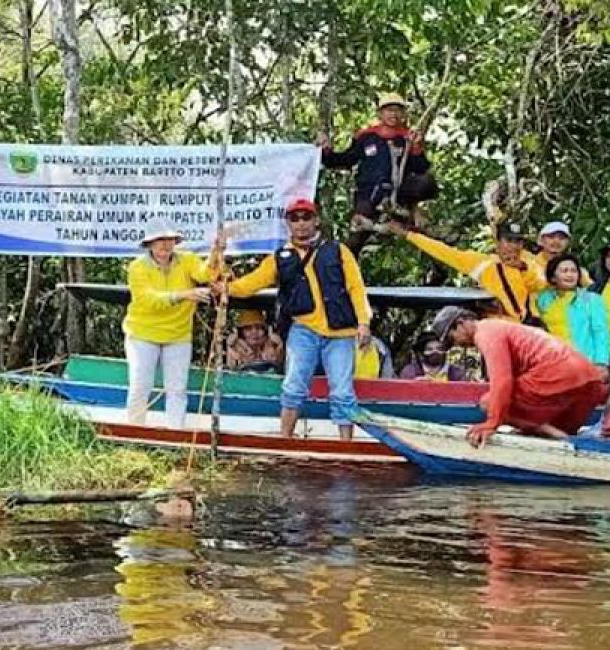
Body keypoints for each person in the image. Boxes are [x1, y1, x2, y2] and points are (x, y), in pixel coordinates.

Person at [223, 199, 372, 440]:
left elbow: (356, 288)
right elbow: (250, 283)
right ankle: (285, 439)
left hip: (341, 334)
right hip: (303, 329)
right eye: (295, 218)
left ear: (316, 220)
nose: (301, 224)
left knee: (343, 391)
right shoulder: (279, 258)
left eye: (306, 217)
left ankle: (347, 445)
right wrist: (224, 288)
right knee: (293, 387)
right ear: (288, 224)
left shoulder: (338, 250)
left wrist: (364, 322)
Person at [432, 306, 607, 447]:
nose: (457, 345)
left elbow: (502, 382)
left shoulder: (486, 333)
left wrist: (492, 423)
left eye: (451, 339)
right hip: (589, 379)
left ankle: (549, 432)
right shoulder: (499, 326)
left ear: (461, 323)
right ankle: (558, 434)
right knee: (561, 428)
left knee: (487, 402)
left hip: (559, 375)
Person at [123, 227, 222, 428]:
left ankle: (175, 435)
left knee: (177, 389)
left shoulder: (187, 259)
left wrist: (215, 254)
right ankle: (133, 433)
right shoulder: (137, 267)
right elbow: (148, 300)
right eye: (160, 239)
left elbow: (205, 275)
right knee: (140, 386)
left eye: (170, 240)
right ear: (149, 244)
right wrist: (184, 295)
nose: (165, 245)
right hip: (142, 334)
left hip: (178, 334)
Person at [318, 93, 438, 254]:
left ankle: (439, 269)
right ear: (380, 113)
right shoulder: (366, 137)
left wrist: (416, 147)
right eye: (389, 110)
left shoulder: (407, 137)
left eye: (397, 110)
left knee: (427, 183)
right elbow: (346, 159)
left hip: (399, 195)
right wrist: (326, 151)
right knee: (355, 240)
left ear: (403, 114)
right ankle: (340, 272)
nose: (393, 114)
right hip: (369, 194)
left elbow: (421, 168)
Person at [390, 220, 540, 322]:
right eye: (509, 241)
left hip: (528, 325)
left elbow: (540, 284)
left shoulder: (529, 261)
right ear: (498, 242)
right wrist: (409, 235)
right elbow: (444, 252)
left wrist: (522, 268)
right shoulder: (482, 262)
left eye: (518, 241)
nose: (513, 246)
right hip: (497, 324)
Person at [534, 254, 610, 365]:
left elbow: (601, 333)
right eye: (564, 271)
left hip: (585, 362)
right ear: (553, 277)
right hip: (553, 363)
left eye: (574, 271)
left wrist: (601, 363)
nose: (570, 275)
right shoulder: (543, 300)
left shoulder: (591, 299)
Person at [399, 331, 468, 381]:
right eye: (429, 349)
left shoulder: (457, 374)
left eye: (439, 349)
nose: (435, 352)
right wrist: (414, 385)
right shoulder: (409, 372)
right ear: (420, 353)